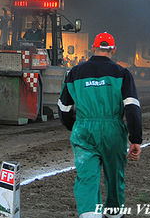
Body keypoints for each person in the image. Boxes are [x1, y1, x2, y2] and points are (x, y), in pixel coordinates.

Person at [58, 32, 142, 218]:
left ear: (93, 48)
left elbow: (64, 108)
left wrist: (76, 126)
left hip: (84, 130)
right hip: (113, 131)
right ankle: (113, 214)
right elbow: (132, 108)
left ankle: (89, 214)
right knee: (114, 179)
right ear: (113, 50)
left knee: (87, 178)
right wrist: (135, 139)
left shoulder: (75, 72)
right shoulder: (123, 73)